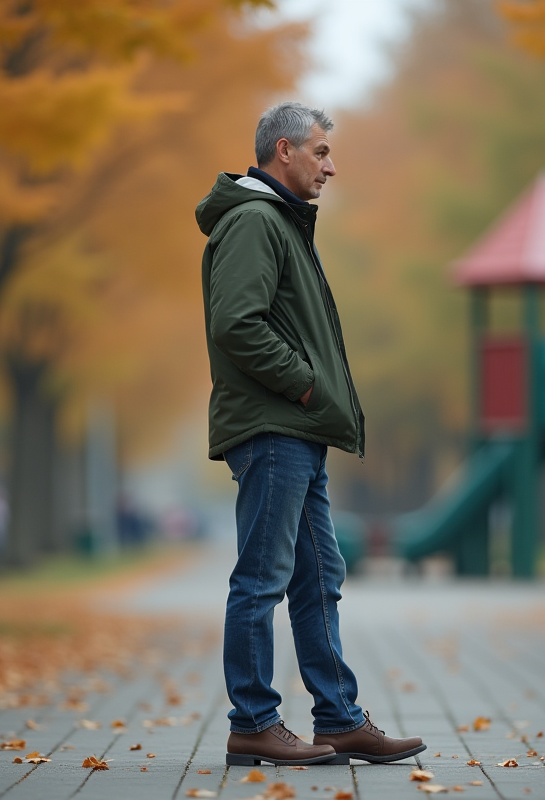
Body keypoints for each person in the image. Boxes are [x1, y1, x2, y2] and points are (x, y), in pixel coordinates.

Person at [196, 101, 426, 767]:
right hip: (274, 427)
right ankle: (253, 721)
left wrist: (310, 399)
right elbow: (238, 324)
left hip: (296, 428)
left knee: (318, 575)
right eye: (321, 152)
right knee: (262, 578)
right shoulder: (255, 222)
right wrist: (303, 384)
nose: (332, 165)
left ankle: (340, 717)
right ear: (284, 151)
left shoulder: (283, 224)